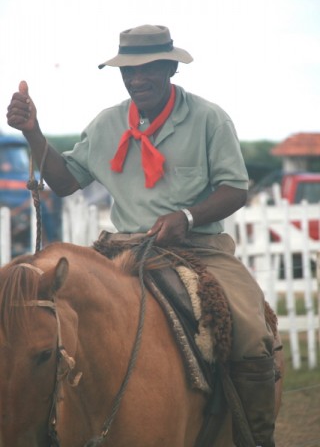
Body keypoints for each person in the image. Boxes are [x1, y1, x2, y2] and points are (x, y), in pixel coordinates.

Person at [7, 24, 276, 446]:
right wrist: (33, 131)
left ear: (171, 67)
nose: (136, 79)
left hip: (201, 249)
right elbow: (64, 181)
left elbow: (236, 189)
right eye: (127, 71)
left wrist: (187, 216)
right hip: (125, 248)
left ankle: (256, 439)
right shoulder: (107, 123)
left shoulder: (209, 118)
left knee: (250, 333)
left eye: (147, 68)